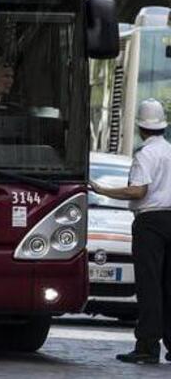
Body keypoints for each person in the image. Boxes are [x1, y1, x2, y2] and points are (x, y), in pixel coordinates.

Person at [91, 98, 171, 364]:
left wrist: (103, 190)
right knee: (169, 286)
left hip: (150, 223)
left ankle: (147, 347)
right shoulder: (170, 151)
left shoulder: (145, 154)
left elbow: (139, 190)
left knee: (149, 286)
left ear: (140, 128)